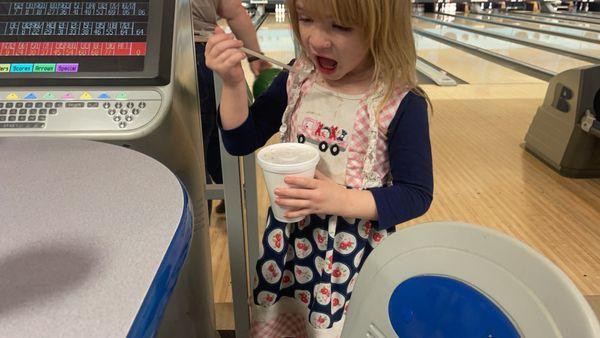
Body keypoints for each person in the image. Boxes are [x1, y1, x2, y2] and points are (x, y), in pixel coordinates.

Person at [206, 0, 433, 335]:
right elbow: (241, 140)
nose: (315, 40)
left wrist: (338, 198)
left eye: (340, 26)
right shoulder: (298, 78)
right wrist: (233, 83)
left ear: (382, 28)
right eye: (305, 18)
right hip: (289, 247)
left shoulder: (399, 102)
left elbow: (416, 195)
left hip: (352, 259)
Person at [193, 0, 270, 214]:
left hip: (137, 52)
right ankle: (231, 191)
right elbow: (234, 11)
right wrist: (254, 56)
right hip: (200, 54)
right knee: (204, 149)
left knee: (191, 159)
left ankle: (195, 237)